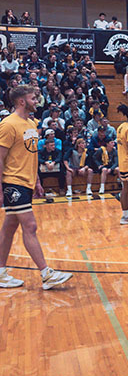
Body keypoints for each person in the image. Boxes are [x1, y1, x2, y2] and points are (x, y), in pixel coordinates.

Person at [0, 85, 73, 290]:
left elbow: (30, 154)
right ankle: (46, 273)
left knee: (9, 228)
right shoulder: (8, 125)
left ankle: (0, 272)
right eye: (33, 98)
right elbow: (0, 157)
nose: (37, 101)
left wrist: (37, 181)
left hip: (27, 181)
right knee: (30, 226)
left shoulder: (32, 123)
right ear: (22, 101)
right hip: (13, 182)